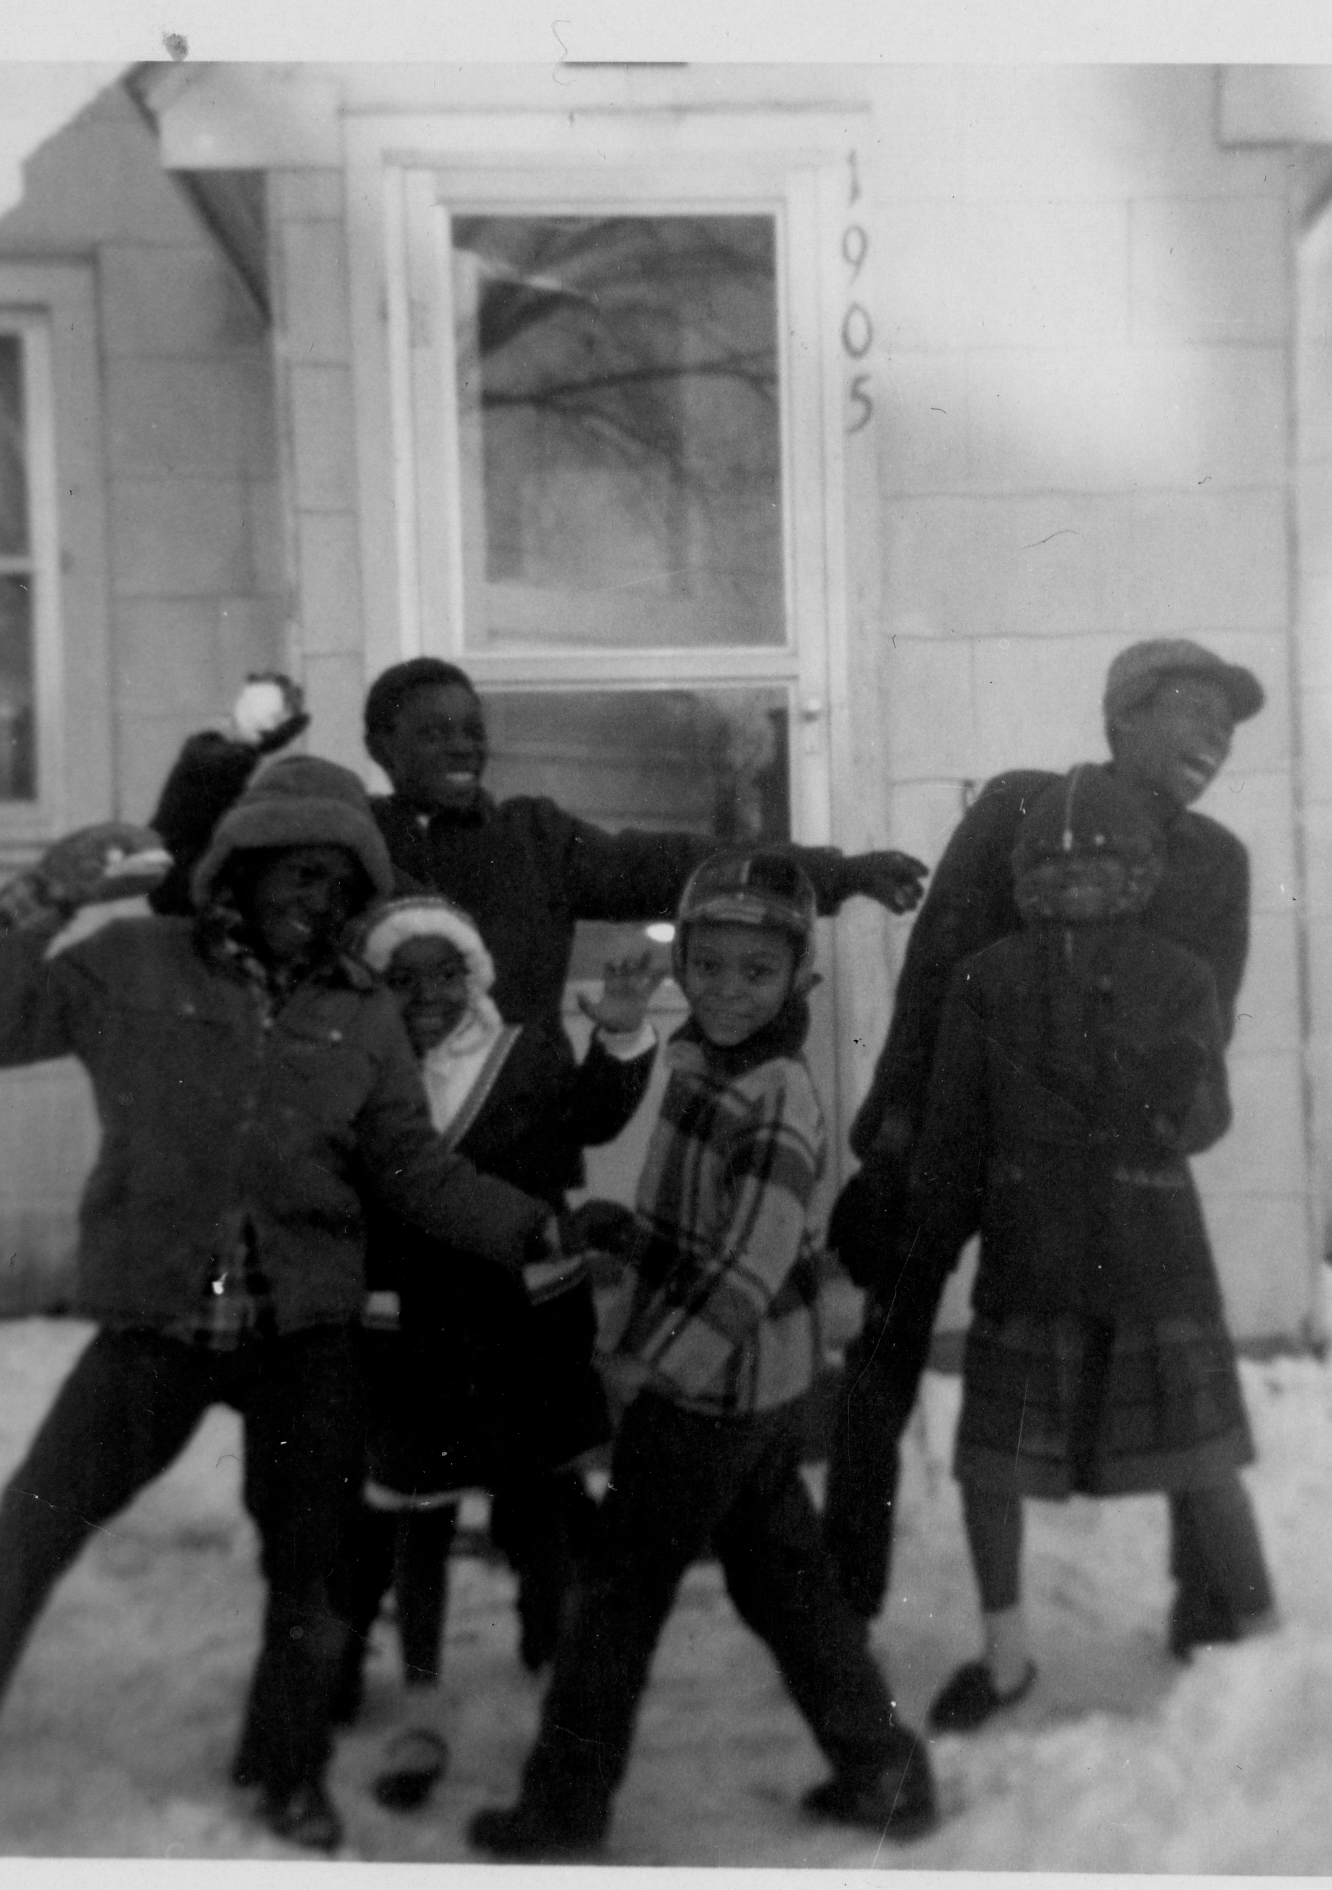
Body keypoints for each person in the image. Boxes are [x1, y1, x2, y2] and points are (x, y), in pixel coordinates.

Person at [144, 659, 929, 1653]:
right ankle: (344, 1656)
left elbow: (677, 862)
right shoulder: (360, 851)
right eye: (433, 731)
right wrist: (227, 757)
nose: (462, 745)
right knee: (395, 1452)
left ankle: (547, 1632)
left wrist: (833, 872)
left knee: (539, 1441)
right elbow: (190, 879)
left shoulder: (533, 838)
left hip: (526, 1181)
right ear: (380, 747)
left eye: (472, 727)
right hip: (393, 1202)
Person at [0, 759, 558, 1854]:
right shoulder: (128, 963)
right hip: (158, 1321)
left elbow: (414, 1168)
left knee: (315, 1562)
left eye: (341, 882)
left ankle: (286, 1767)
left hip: (303, 1331)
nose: (319, 898)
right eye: (297, 871)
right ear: (238, 871)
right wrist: (41, 897)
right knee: (22, 1535)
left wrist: (531, 1224)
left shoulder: (365, 1014)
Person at [467, 851, 938, 1860]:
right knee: (783, 1581)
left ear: (798, 980)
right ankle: (882, 1770)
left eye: (754, 972)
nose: (727, 990)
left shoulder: (779, 1095)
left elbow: (748, 1259)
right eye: (709, 965)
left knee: (616, 1596)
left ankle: (563, 1809)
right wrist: (628, 1237)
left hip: (712, 1386)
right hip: (753, 1389)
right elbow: (695, 1223)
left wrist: (653, 1365)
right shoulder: (697, 1058)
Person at [822, 635, 1265, 1626]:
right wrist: (892, 1143)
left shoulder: (1214, 862)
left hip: (1094, 1157)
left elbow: (1205, 1024)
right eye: (1193, 709)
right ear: (1121, 716)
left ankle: (1210, 1606)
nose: (1215, 737)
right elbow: (932, 976)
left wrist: (1153, 1120)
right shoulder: (1018, 805)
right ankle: (840, 1598)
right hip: (955, 1125)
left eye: (1228, 726)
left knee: (1173, 1344)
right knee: (883, 1351)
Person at [898, 766, 1274, 1731]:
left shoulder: (1179, 975)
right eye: (1051, 865)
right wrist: (925, 1221)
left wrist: (1172, 1096)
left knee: (1200, 1459)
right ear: (1023, 878)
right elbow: (951, 1125)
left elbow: (1207, 1119)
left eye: (1100, 862)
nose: (1075, 881)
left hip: (1152, 1251)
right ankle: (1008, 1653)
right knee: (993, 1464)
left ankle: (1271, 1646)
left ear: (1141, 873)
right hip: (1033, 1251)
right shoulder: (988, 979)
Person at [337, 894, 662, 1811]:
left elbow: (592, 1119)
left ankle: (560, 1679)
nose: (429, 995)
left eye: (447, 973)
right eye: (404, 980)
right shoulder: (364, 1070)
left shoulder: (527, 1051)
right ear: (375, 990)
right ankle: (424, 1703)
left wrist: (625, 1036)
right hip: (417, 1326)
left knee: (546, 1493)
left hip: (526, 1314)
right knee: (420, 1514)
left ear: (476, 974)